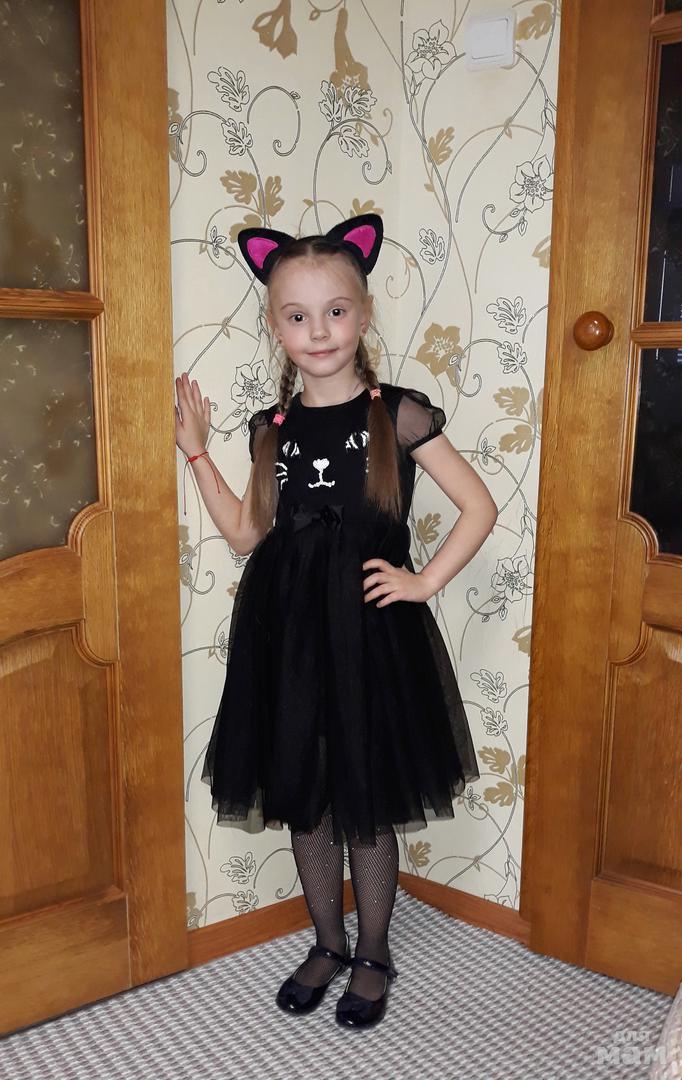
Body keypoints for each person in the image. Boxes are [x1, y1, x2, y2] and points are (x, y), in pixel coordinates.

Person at [174, 213, 497, 1030]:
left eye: (336, 310)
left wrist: (424, 581)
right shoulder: (271, 428)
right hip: (286, 638)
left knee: (365, 798)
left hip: (372, 641)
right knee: (307, 797)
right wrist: (198, 451)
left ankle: (374, 953)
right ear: (275, 326)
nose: (318, 331)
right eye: (297, 315)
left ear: (363, 314)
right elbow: (246, 533)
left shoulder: (400, 414)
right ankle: (327, 941)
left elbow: (478, 506)